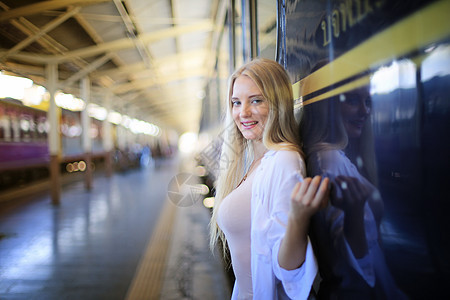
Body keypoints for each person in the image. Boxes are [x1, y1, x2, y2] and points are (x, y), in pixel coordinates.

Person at [209, 58, 329, 299]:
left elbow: (289, 271)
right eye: (236, 102)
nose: (243, 112)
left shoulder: (284, 160)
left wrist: (297, 218)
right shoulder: (253, 161)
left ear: (278, 105)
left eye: (256, 100)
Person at [300, 84, 407, 299]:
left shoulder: (335, 156)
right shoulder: (330, 160)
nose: (364, 111)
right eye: (352, 100)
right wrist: (355, 214)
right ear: (327, 105)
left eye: (367, 102)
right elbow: (350, 264)